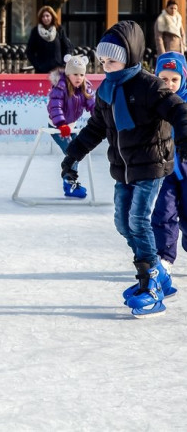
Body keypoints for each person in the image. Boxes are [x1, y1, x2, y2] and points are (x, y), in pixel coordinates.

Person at [61, 20, 187, 318]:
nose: (106, 66)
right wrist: (71, 156)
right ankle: (157, 272)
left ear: (129, 55)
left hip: (152, 165)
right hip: (124, 169)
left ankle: (150, 287)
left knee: (139, 221)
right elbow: (95, 129)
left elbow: (179, 111)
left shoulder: (149, 85)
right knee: (122, 222)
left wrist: (184, 139)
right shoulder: (107, 90)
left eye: (112, 60)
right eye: (102, 61)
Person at [151, 51, 187, 274]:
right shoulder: (152, 104)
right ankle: (164, 257)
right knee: (164, 213)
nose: (170, 84)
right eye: (163, 79)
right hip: (164, 170)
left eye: (175, 79)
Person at [47, 54, 95, 198]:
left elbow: (93, 105)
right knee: (71, 152)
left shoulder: (85, 88)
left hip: (71, 126)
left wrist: (101, 118)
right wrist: (61, 124)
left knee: (77, 152)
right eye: (75, 74)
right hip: (57, 127)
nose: (79, 77)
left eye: (81, 74)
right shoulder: (60, 87)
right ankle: (69, 182)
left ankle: (70, 182)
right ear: (68, 74)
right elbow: (55, 107)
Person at [26, 5, 74, 74]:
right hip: (41, 71)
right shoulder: (35, 31)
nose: (45, 18)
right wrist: (37, 66)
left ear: (52, 16)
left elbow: (67, 47)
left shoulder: (59, 30)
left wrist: (63, 63)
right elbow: (29, 51)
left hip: (58, 70)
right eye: (43, 16)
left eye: (47, 16)